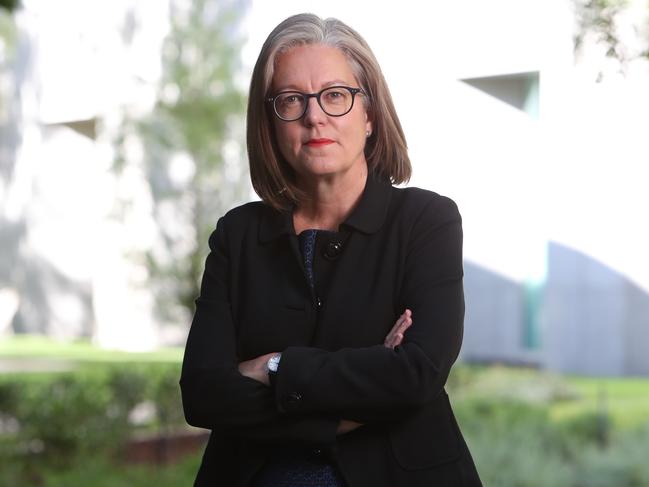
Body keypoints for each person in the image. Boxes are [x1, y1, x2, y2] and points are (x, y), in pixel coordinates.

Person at [180, 12, 482, 487]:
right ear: (270, 123)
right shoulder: (237, 234)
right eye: (291, 100)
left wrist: (272, 367)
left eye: (335, 96)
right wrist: (356, 401)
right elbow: (203, 394)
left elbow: (416, 374)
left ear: (369, 115)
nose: (314, 115)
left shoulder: (427, 221)